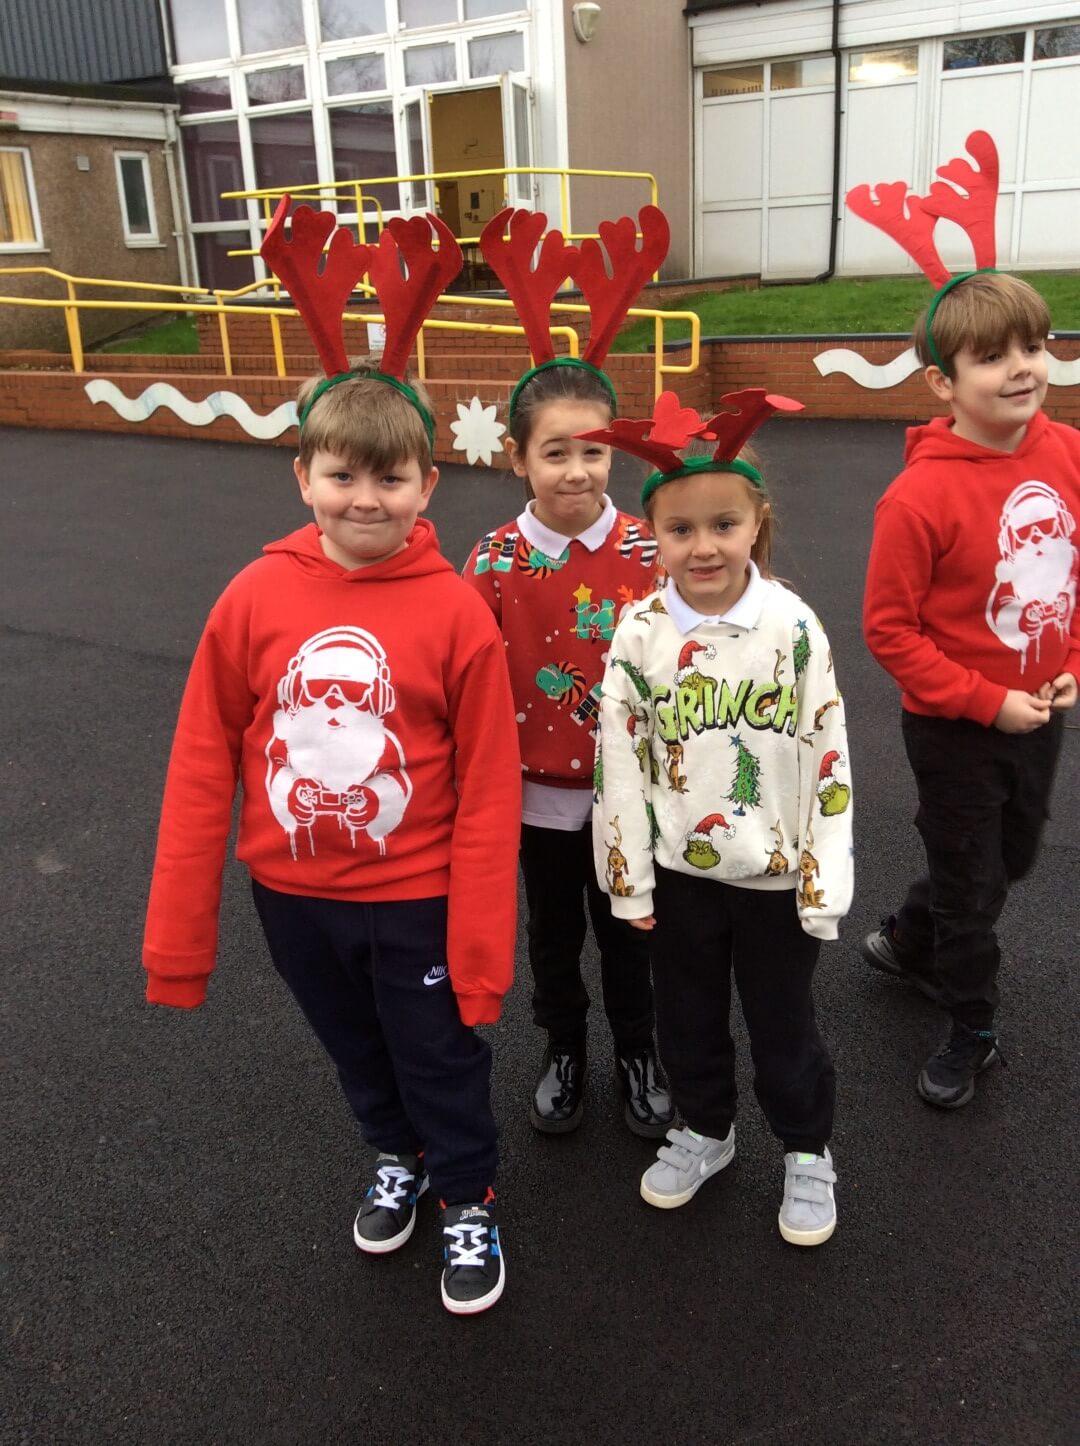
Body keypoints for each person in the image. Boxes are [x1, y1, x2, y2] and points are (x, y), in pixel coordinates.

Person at [143, 363, 521, 1315]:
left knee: (437, 1052)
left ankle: (466, 1193)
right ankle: (398, 1153)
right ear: (303, 477)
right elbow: (201, 764)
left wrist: (481, 950)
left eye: (390, 478)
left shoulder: (456, 612)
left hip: (415, 898)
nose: (365, 499)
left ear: (427, 485)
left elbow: (487, 789)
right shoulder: (252, 597)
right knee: (355, 1047)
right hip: (294, 899)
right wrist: (178, 943)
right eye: (342, 475)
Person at [591, 390, 852, 1246]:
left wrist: (824, 881)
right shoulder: (639, 632)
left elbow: (828, 755)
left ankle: (806, 1148)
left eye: (723, 524)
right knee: (686, 1016)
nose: (703, 546)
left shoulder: (793, 627)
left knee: (784, 1023)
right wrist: (628, 883)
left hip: (774, 877)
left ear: (756, 523)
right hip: (681, 876)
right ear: (653, 536)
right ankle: (706, 1128)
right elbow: (619, 761)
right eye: (681, 529)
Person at [860, 271, 1080, 1108]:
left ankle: (908, 938)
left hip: (1040, 712)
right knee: (971, 889)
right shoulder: (918, 498)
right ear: (942, 382)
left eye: (1034, 345)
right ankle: (970, 1027)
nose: (1022, 367)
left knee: (1008, 861)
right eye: (992, 356)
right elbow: (890, 632)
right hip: (954, 729)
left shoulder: (1067, 453)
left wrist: (1072, 662)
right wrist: (988, 703)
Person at [464, 364, 674, 1137]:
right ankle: (564, 1045)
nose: (576, 471)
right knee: (553, 934)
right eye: (555, 453)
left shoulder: (651, 549)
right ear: (518, 458)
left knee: (630, 931)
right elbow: (462, 678)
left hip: (633, 796)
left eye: (593, 451)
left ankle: (638, 1050)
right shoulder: (492, 561)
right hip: (537, 799)